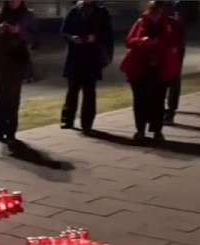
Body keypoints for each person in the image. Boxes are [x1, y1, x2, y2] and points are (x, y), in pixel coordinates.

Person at [120, 1, 182, 143]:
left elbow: (175, 42)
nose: (156, 14)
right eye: (153, 11)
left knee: (158, 100)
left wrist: (161, 44)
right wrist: (142, 40)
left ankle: (157, 131)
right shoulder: (141, 22)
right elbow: (129, 41)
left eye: (159, 11)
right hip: (140, 67)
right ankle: (140, 130)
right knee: (140, 99)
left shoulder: (170, 23)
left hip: (160, 67)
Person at [59, 0, 113, 133]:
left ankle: (87, 123)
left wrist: (95, 37)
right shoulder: (74, 10)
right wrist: (72, 38)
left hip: (92, 57)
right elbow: (64, 32)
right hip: (75, 55)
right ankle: (67, 119)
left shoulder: (102, 12)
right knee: (72, 90)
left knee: (89, 91)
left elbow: (108, 34)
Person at [0, 0, 36, 143]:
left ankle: (11, 132)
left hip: (18, 62)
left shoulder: (28, 15)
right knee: (0, 97)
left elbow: (35, 39)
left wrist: (19, 31)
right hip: (1, 62)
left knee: (13, 98)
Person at [163, 1, 186, 125]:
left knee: (173, 79)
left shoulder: (176, 17)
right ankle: (163, 110)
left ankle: (170, 111)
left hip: (174, 50)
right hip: (161, 50)